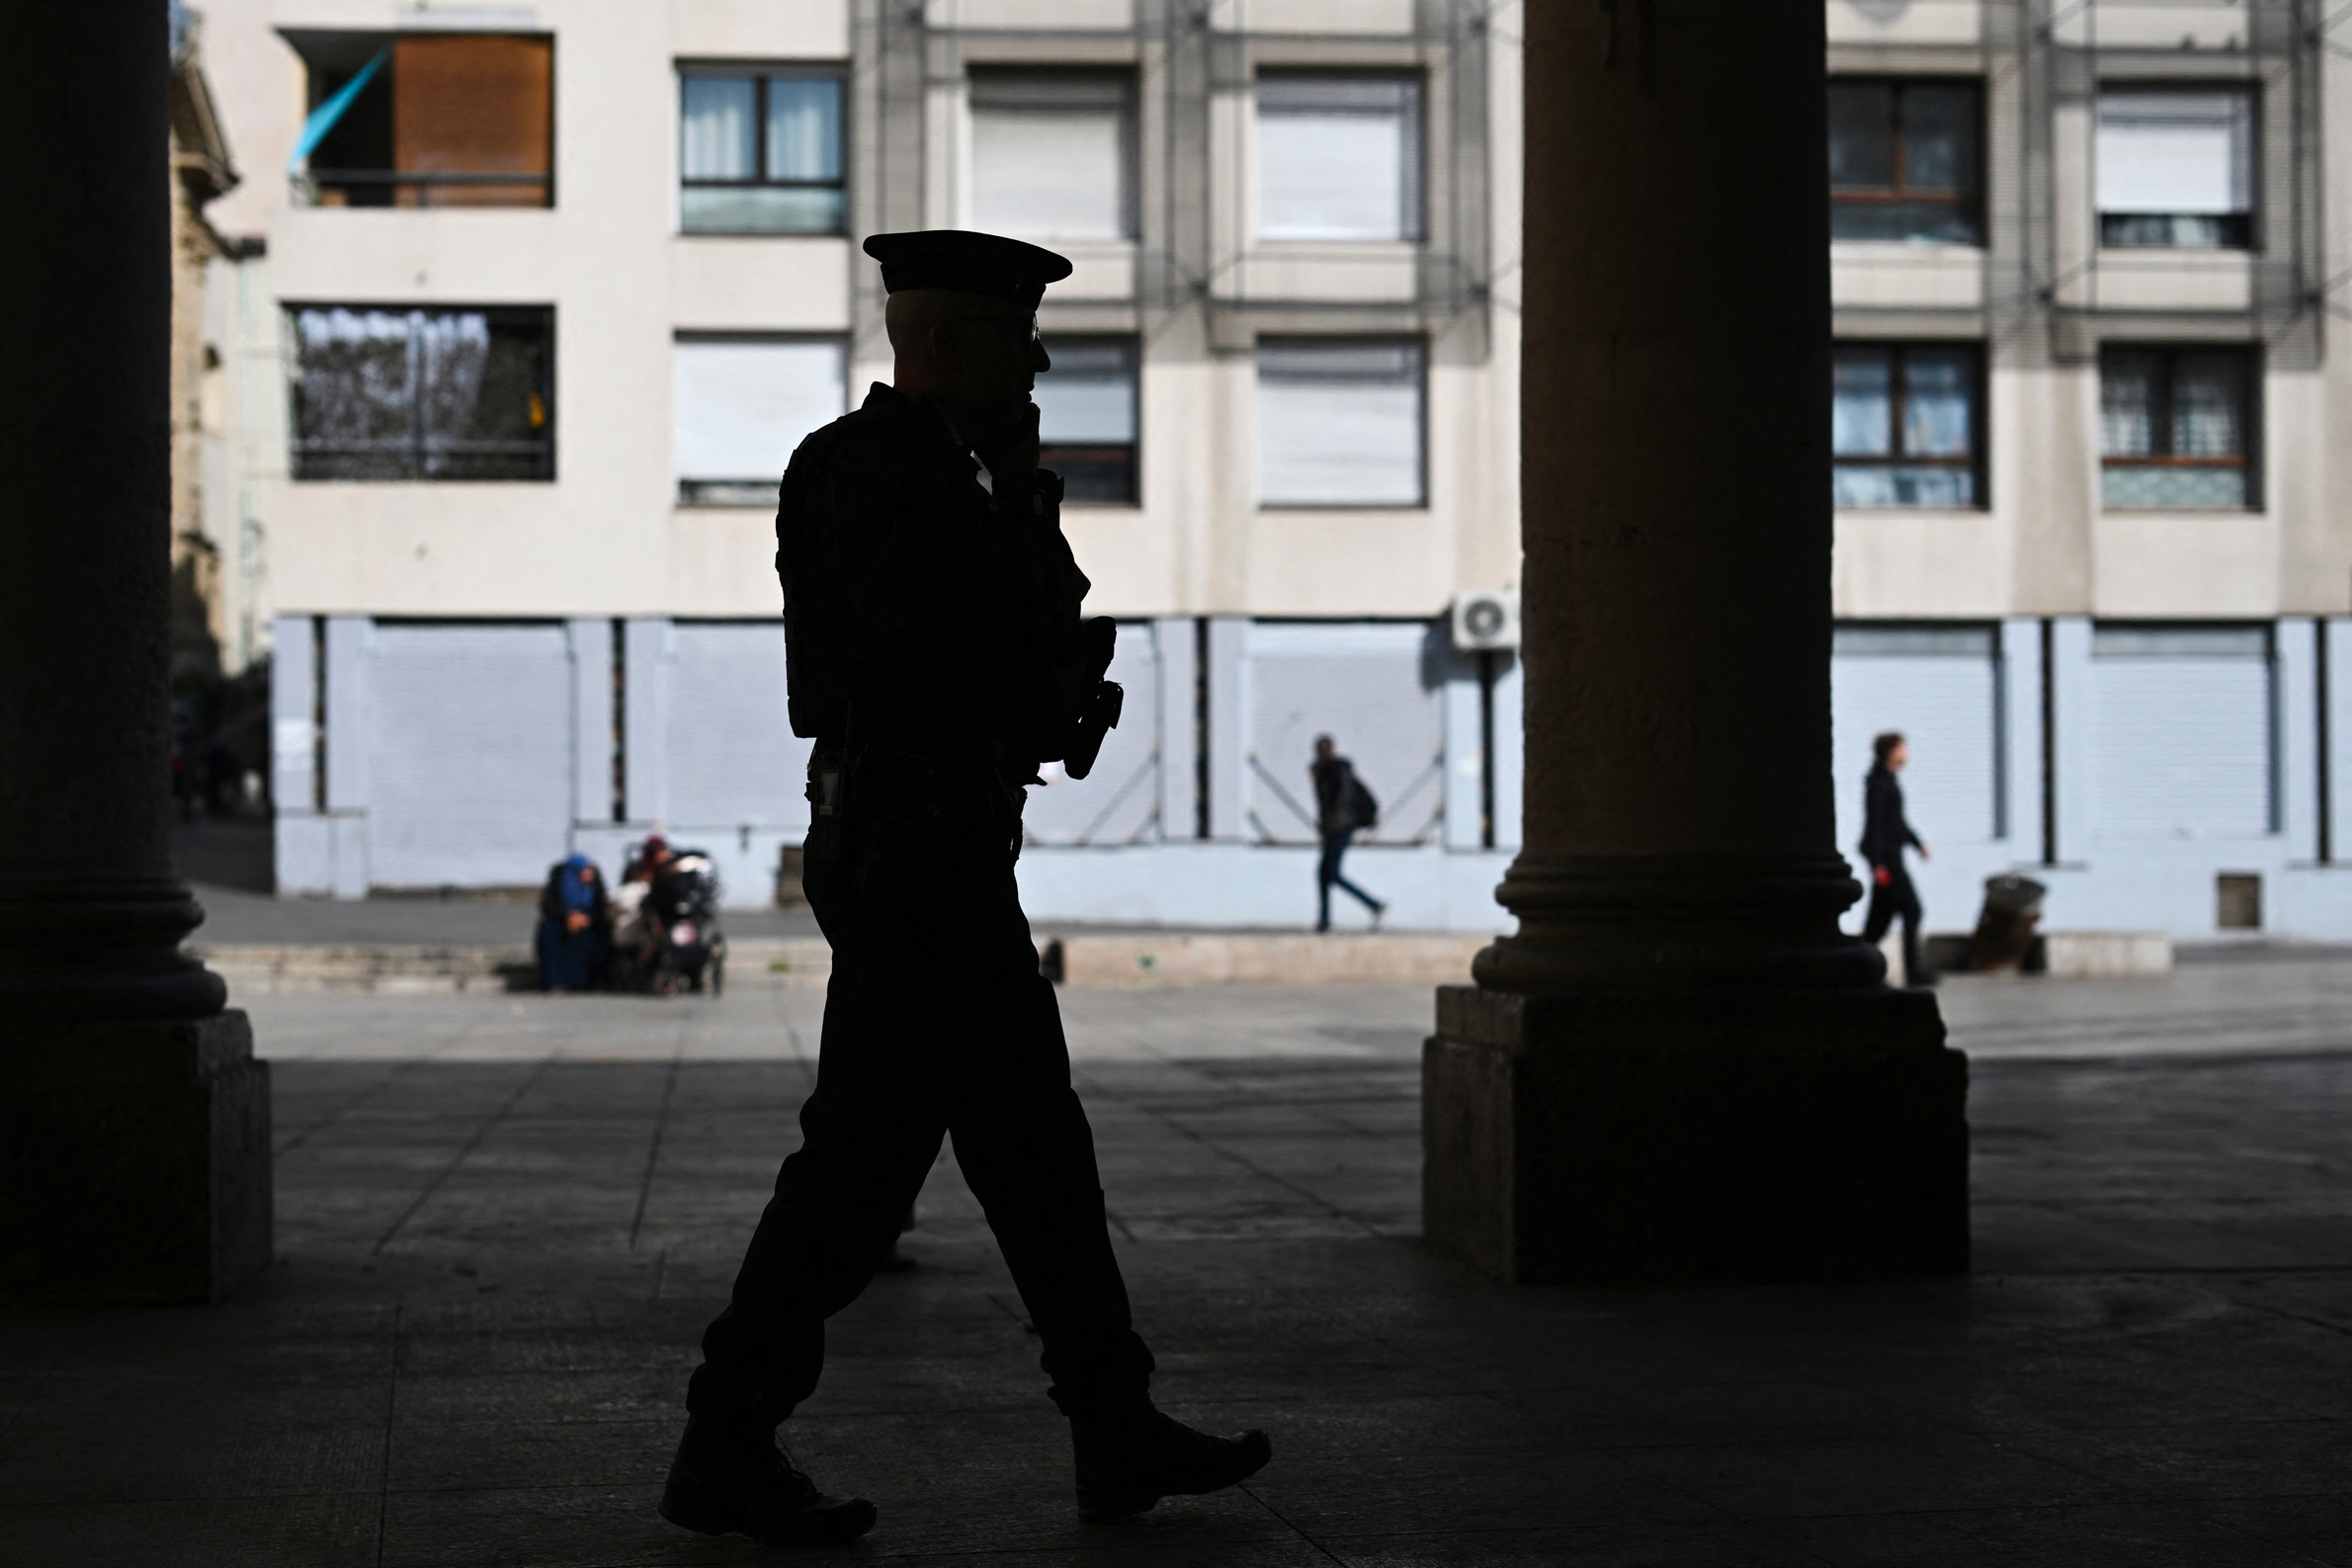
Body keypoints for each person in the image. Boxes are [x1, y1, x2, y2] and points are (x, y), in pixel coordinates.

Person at [661, 229, 1269, 1549]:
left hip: (945, 848)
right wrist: (1021, 563)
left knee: (1032, 1151)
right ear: (942, 345)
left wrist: (1028, 494)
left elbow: (1037, 617)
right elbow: (942, 636)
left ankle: (1114, 1423)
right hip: (906, 851)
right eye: (1013, 342)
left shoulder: (968, 472)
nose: (1036, 366)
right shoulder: (868, 467)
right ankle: (726, 1438)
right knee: (864, 1171)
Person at [1860, 730, 1933, 987]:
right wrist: (1877, 863)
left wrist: (1916, 843)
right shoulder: (1879, 784)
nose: (1906, 754)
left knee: (1877, 923)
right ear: (1891, 752)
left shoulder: (1887, 781)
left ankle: (1858, 968)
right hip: (1888, 861)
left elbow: (1897, 822)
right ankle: (1913, 971)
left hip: (1890, 856)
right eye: (1902, 748)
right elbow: (1877, 826)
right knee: (1912, 910)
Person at [1310, 735, 1385, 933]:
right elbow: (1324, 804)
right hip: (1332, 828)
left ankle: (1373, 904)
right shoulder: (1321, 771)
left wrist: (1330, 824)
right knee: (1324, 874)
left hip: (1340, 827)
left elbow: (1340, 800)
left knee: (1331, 873)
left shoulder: (1337, 769)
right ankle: (1325, 920)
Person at [534, 853, 609, 992]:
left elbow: (601, 907)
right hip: (562, 920)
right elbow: (548, 906)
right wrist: (567, 917)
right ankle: (555, 981)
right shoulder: (560, 880)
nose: (588, 874)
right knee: (550, 932)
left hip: (587, 921)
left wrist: (586, 919)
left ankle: (587, 981)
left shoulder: (594, 884)